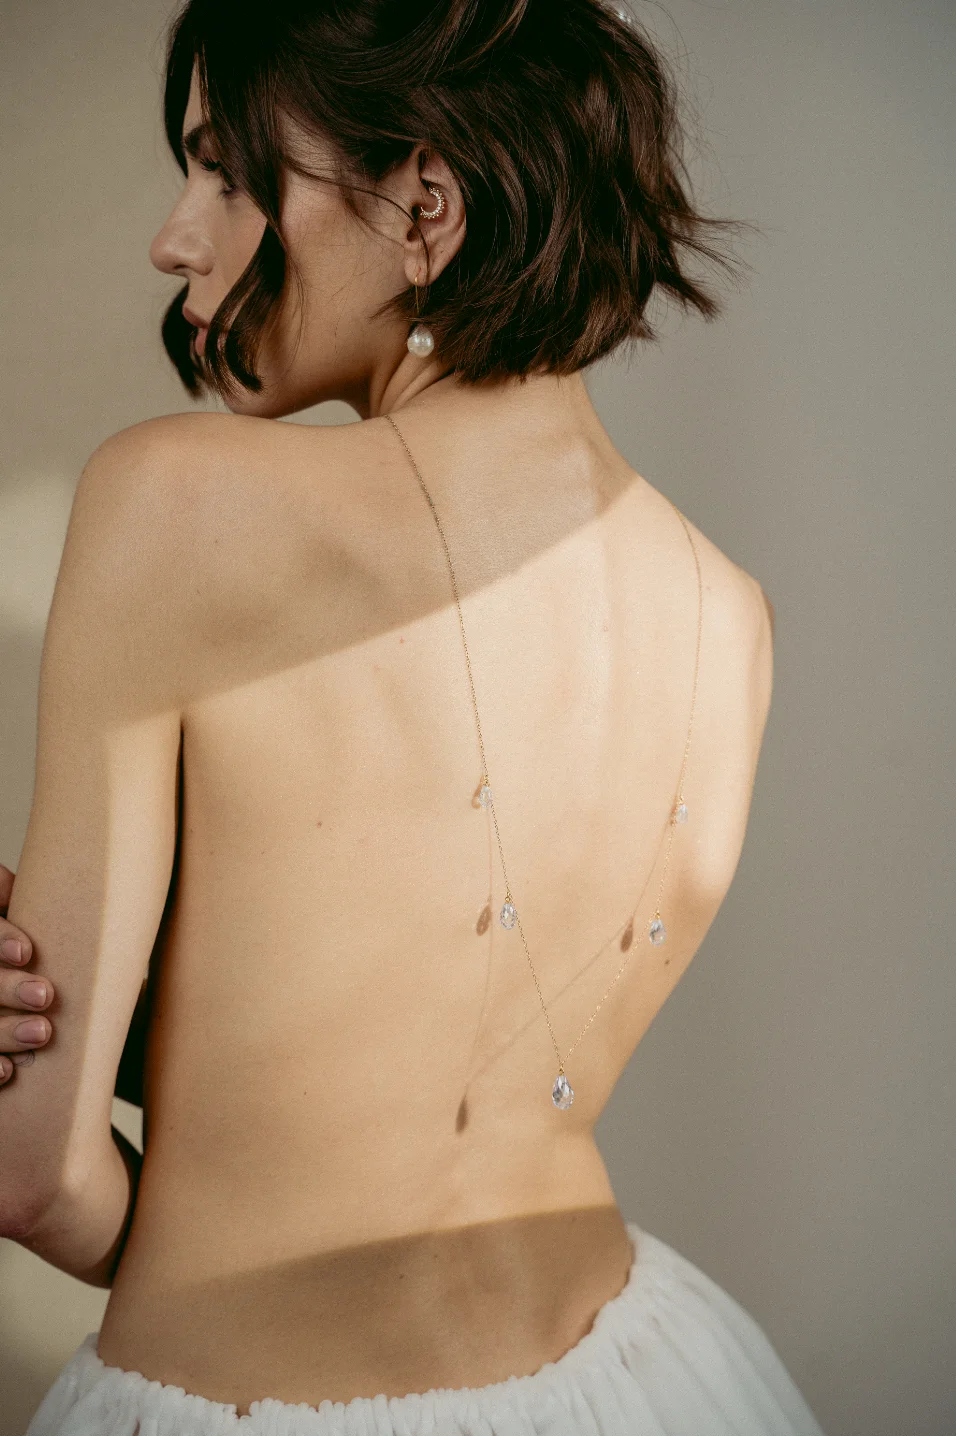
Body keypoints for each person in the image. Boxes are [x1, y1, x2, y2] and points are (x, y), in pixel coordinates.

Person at [0, 1, 827, 1432]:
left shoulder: (173, 503)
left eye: (228, 173)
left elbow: (36, 1177)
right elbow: (426, 1048)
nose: (175, 240)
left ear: (423, 208)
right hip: (645, 1374)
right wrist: (148, 1032)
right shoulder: (731, 614)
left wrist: (161, 1200)